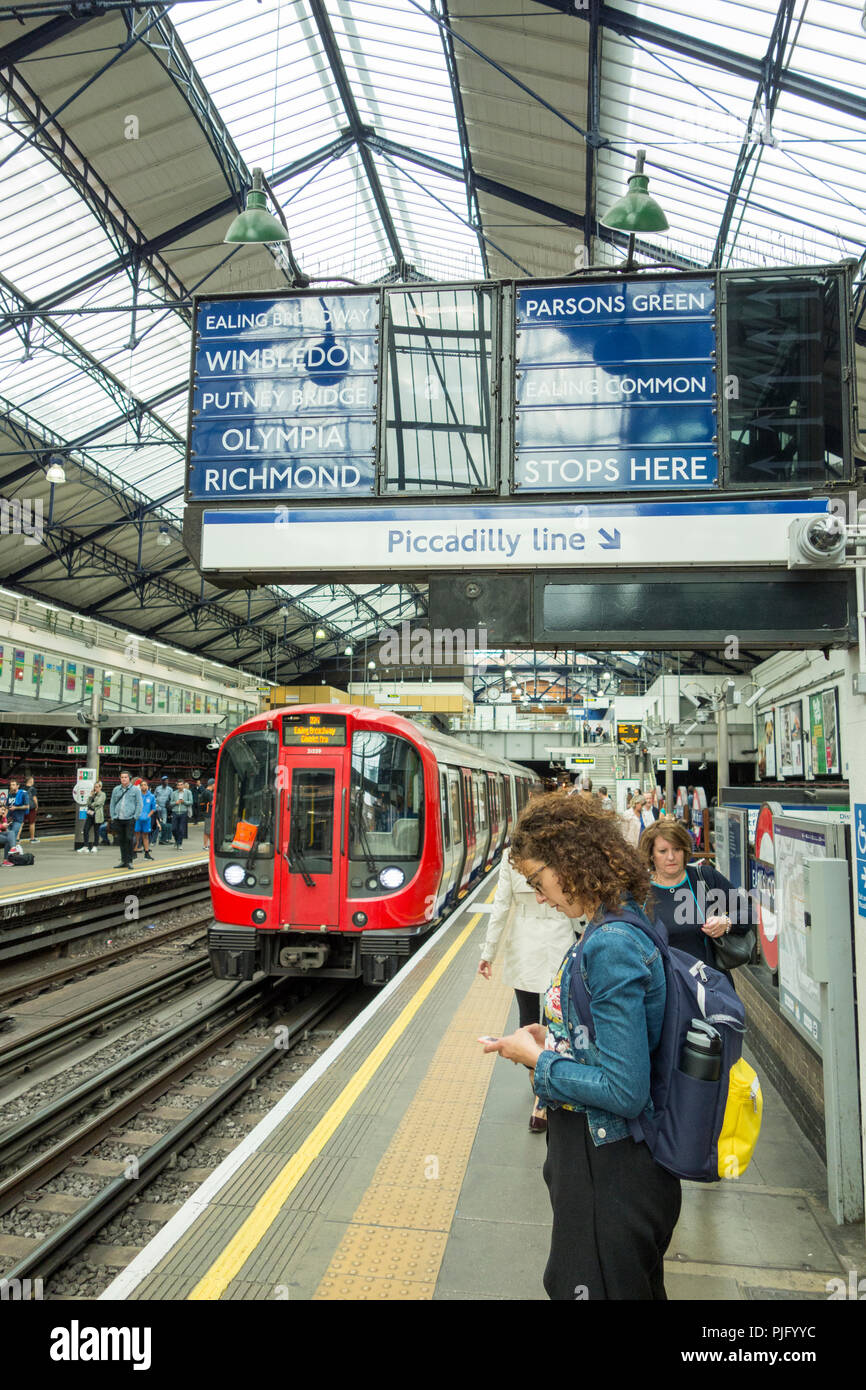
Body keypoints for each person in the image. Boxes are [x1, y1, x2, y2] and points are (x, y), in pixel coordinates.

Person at [481, 792, 681, 1301]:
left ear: (569, 861)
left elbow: (624, 1089)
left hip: (609, 1172)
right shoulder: (621, 918)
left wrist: (538, 1061)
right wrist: (554, 1036)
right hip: (612, 1167)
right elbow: (616, 1039)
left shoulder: (609, 943)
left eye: (537, 881)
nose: (540, 897)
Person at [478, 841, 586, 1132]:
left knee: (527, 1021)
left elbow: (501, 905)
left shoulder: (510, 858)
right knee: (552, 1021)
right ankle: (542, 1095)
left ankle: (537, 1086)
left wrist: (488, 953)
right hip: (560, 939)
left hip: (523, 944)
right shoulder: (559, 853)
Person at [639, 820, 756, 969]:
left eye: (677, 849)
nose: (671, 857)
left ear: (685, 850)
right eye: (663, 851)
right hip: (661, 986)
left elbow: (749, 912)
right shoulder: (640, 890)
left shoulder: (705, 878)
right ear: (651, 855)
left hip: (708, 985)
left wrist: (726, 923)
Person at [109, 771, 143, 870]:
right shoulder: (116, 789)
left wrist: (135, 817)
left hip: (129, 818)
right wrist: (113, 816)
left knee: (129, 839)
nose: (124, 779)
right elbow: (112, 803)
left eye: (126, 777)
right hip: (118, 818)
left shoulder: (135, 790)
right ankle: (123, 860)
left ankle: (130, 861)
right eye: (122, 777)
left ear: (129, 778)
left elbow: (139, 804)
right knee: (121, 840)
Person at [79, 781, 106, 852]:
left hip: (97, 815)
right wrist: (91, 796)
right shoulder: (93, 794)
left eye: (97, 787)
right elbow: (88, 803)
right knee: (85, 829)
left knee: (96, 831)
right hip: (90, 815)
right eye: (95, 787)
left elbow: (99, 803)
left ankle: (95, 846)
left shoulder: (102, 794)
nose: (95, 788)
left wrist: (91, 804)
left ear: (100, 787)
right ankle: (85, 846)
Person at [134, 780, 156, 860]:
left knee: (145, 836)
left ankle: (146, 853)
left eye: (145, 785)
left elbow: (153, 808)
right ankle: (134, 853)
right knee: (136, 836)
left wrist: (148, 816)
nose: (143, 786)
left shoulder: (151, 796)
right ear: (140, 787)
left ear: (147, 786)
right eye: (142, 785)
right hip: (138, 819)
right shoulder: (137, 795)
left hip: (146, 820)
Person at [5, 779, 30, 849]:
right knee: (8, 837)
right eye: (10, 785)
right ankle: (8, 855)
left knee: (13, 835)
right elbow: (7, 806)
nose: (11, 786)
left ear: (17, 786)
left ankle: (13, 852)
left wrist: (16, 807)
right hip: (9, 819)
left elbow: (27, 806)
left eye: (13, 785)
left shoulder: (23, 793)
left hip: (18, 818)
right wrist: (4, 817)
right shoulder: (10, 794)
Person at [170, 780, 193, 849]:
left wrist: (184, 802)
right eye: (178, 785)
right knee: (174, 829)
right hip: (175, 812)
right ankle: (176, 840)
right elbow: (171, 803)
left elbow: (191, 802)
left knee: (181, 829)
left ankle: (179, 844)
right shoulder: (174, 793)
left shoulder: (188, 792)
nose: (180, 786)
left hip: (183, 812)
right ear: (177, 786)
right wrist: (175, 803)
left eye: (181, 784)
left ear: (183, 785)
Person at [154, 776, 173, 844]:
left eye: (167, 780)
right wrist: (155, 804)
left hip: (165, 808)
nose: (166, 782)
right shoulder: (158, 788)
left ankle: (162, 839)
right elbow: (154, 796)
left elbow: (171, 799)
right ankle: (155, 839)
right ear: (162, 781)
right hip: (158, 808)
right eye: (164, 780)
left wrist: (169, 807)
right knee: (158, 823)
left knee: (164, 824)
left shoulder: (170, 789)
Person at [200, 778, 215, 849]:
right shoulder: (208, 793)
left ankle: (209, 844)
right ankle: (206, 845)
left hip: (206, 812)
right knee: (208, 830)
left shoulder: (205, 792)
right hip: (209, 813)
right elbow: (212, 803)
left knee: (207, 830)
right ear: (212, 784)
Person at [24, 775, 38, 843]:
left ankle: (17, 838)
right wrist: (36, 806)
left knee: (21, 822)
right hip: (31, 807)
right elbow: (34, 798)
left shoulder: (21, 788)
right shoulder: (32, 789)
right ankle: (32, 838)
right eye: (33, 780)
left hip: (23, 807)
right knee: (32, 823)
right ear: (30, 781)